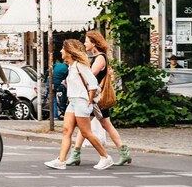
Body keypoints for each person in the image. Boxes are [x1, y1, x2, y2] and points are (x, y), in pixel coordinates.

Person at [45, 39, 114, 170]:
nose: (60, 51)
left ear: (69, 52)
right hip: (72, 102)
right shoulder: (71, 67)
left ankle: (105, 157)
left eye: (63, 49)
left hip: (81, 102)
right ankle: (61, 160)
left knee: (86, 133)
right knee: (66, 131)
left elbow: (93, 82)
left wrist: (89, 99)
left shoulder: (79, 66)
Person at [67, 30, 130, 166]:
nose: (84, 44)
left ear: (94, 43)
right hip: (94, 97)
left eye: (87, 41)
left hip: (94, 98)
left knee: (85, 126)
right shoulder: (98, 57)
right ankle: (124, 152)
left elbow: (89, 75)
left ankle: (76, 153)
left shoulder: (100, 58)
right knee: (104, 124)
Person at [51, 54, 69, 120]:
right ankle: (62, 107)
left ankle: (55, 116)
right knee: (66, 92)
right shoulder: (67, 68)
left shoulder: (56, 65)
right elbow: (68, 79)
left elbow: (50, 71)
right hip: (59, 85)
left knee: (53, 100)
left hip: (51, 84)